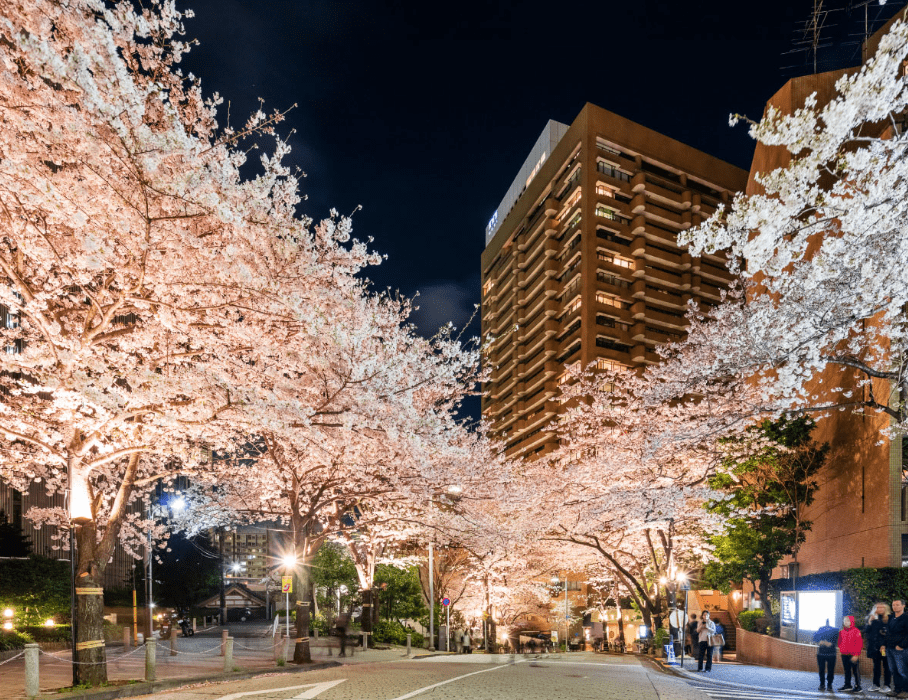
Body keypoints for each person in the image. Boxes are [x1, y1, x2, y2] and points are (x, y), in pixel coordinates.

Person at [866, 602, 893, 693]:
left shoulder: (889, 619)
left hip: (885, 647)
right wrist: (870, 621)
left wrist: (884, 645)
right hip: (875, 647)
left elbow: (889, 634)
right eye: (877, 607)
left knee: (887, 666)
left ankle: (887, 685)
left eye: (881, 607)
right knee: (876, 666)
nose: (879, 609)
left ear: (886, 609)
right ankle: (876, 684)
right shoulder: (874, 619)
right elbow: (867, 631)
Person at [887, 599, 908, 698]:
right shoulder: (891, 618)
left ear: (903, 606)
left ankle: (906, 690)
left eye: (897, 605)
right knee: (894, 670)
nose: (895, 606)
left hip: (901, 650)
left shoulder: (906, 618)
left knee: (903, 671)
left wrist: (901, 645)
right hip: (890, 649)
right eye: (893, 605)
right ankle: (897, 689)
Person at [838, 615, 863, 693]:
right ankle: (847, 685)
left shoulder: (856, 631)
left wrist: (856, 654)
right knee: (847, 670)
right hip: (844, 654)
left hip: (853, 655)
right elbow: (839, 642)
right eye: (845, 620)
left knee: (856, 671)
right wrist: (841, 650)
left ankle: (858, 686)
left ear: (852, 621)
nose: (846, 622)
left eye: (848, 620)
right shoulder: (841, 631)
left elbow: (859, 644)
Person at [814, 618, 839, 691]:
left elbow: (815, 639)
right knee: (828, 670)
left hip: (826, 653)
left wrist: (824, 643)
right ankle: (828, 685)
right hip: (828, 654)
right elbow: (816, 639)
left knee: (824, 670)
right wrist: (822, 642)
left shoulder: (822, 629)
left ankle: (824, 685)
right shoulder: (834, 630)